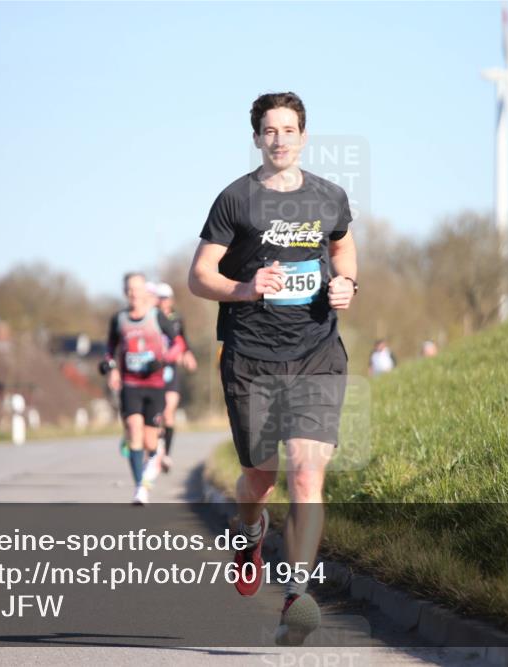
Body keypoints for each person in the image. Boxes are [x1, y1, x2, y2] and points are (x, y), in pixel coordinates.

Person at [188, 92, 357, 645]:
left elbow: (344, 248)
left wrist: (346, 284)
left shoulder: (330, 197)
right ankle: (249, 530)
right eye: (269, 130)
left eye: (289, 129)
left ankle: (296, 596)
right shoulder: (235, 200)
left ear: (304, 137)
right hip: (251, 356)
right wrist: (244, 287)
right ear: (257, 138)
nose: (279, 139)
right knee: (261, 476)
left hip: (316, 352)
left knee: (307, 472)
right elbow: (199, 276)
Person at [104, 272, 187, 505]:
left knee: (151, 443)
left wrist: (163, 360)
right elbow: (110, 348)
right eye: (129, 289)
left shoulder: (156, 316)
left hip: (155, 384)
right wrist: (111, 368)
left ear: (145, 292)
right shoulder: (119, 319)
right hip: (130, 384)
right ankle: (140, 487)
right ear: (125, 293)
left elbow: (179, 342)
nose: (133, 293)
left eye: (137, 289)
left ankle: (159, 449)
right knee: (133, 430)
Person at [155, 282, 198, 473]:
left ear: (171, 300)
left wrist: (187, 355)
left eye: (165, 298)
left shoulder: (177, 318)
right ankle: (155, 448)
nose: (162, 301)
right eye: (159, 298)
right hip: (153, 371)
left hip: (171, 370)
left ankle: (166, 454)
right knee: (157, 415)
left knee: (169, 413)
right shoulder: (151, 317)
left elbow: (183, 340)